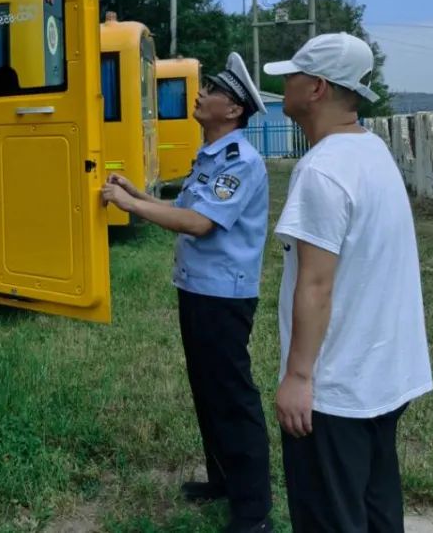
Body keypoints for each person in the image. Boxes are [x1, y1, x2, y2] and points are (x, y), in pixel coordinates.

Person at [263, 33, 433, 532]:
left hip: (336, 389)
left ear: (315, 88)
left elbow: (315, 285)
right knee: (377, 510)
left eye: (292, 75)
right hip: (383, 376)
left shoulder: (322, 169)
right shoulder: (371, 152)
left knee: (330, 518)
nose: (285, 84)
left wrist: (297, 378)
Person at [102, 52, 273, 533]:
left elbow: (198, 223)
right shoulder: (211, 156)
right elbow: (180, 207)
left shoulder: (242, 161)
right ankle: (222, 479)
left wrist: (129, 205)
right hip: (198, 288)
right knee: (207, 390)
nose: (200, 94)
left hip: (224, 295)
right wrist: (134, 193)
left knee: (232, 396)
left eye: (212, 91)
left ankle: (253, 511)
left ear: (234, 109)